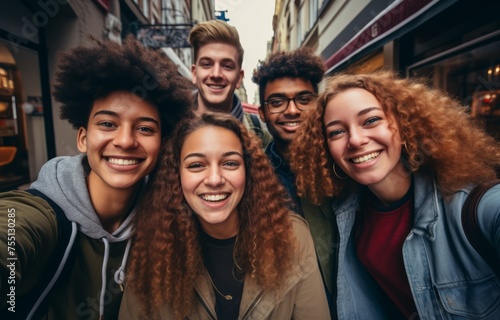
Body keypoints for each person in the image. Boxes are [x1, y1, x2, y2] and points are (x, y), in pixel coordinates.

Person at [0, 36, 194, 320]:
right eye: (107, 124)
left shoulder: (168, 217)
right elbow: (12, 230)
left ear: (161, 145)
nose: (125, 141)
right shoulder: (40, 214)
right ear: (82, 138)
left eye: (145, 128)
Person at [290, 70, 500, 319]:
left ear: (404, 125)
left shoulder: (476, 205)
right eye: (336, 132)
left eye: (370, 120)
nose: (355, 140)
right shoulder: (348, 213)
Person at [119, 112, 330, 320]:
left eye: (230, 163)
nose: (214, 179)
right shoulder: (151, 246)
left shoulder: (293, 236)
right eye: (196, 165)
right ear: (177, 175)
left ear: (248, 171)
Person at [251, 48, 338, 317]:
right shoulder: (251, 177)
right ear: (262, 113)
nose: (292, 110)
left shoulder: (345, 164)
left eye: (304, 99)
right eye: (277, 102)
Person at [188, 19, 272, 148]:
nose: (216, 74)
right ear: (194, 74)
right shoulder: (170, 125)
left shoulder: (259, 131)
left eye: (227, 66)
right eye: (207, 64)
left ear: (239, 78)